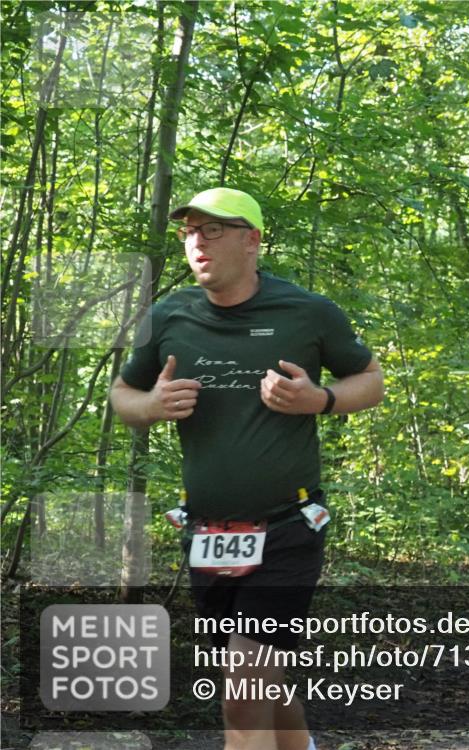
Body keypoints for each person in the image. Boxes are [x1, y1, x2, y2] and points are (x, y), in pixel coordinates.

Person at [111, 187, 385, 750]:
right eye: (189, 231)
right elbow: (122, 395)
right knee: (260, 676)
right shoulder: (169, 315)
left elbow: (371, 381)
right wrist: (151, 407)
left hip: (287, 526)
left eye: (212, 230)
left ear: (251, 239)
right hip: (208, 533)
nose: (197, 241)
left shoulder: (307, 311)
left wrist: (322, 399)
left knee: (243, 682)